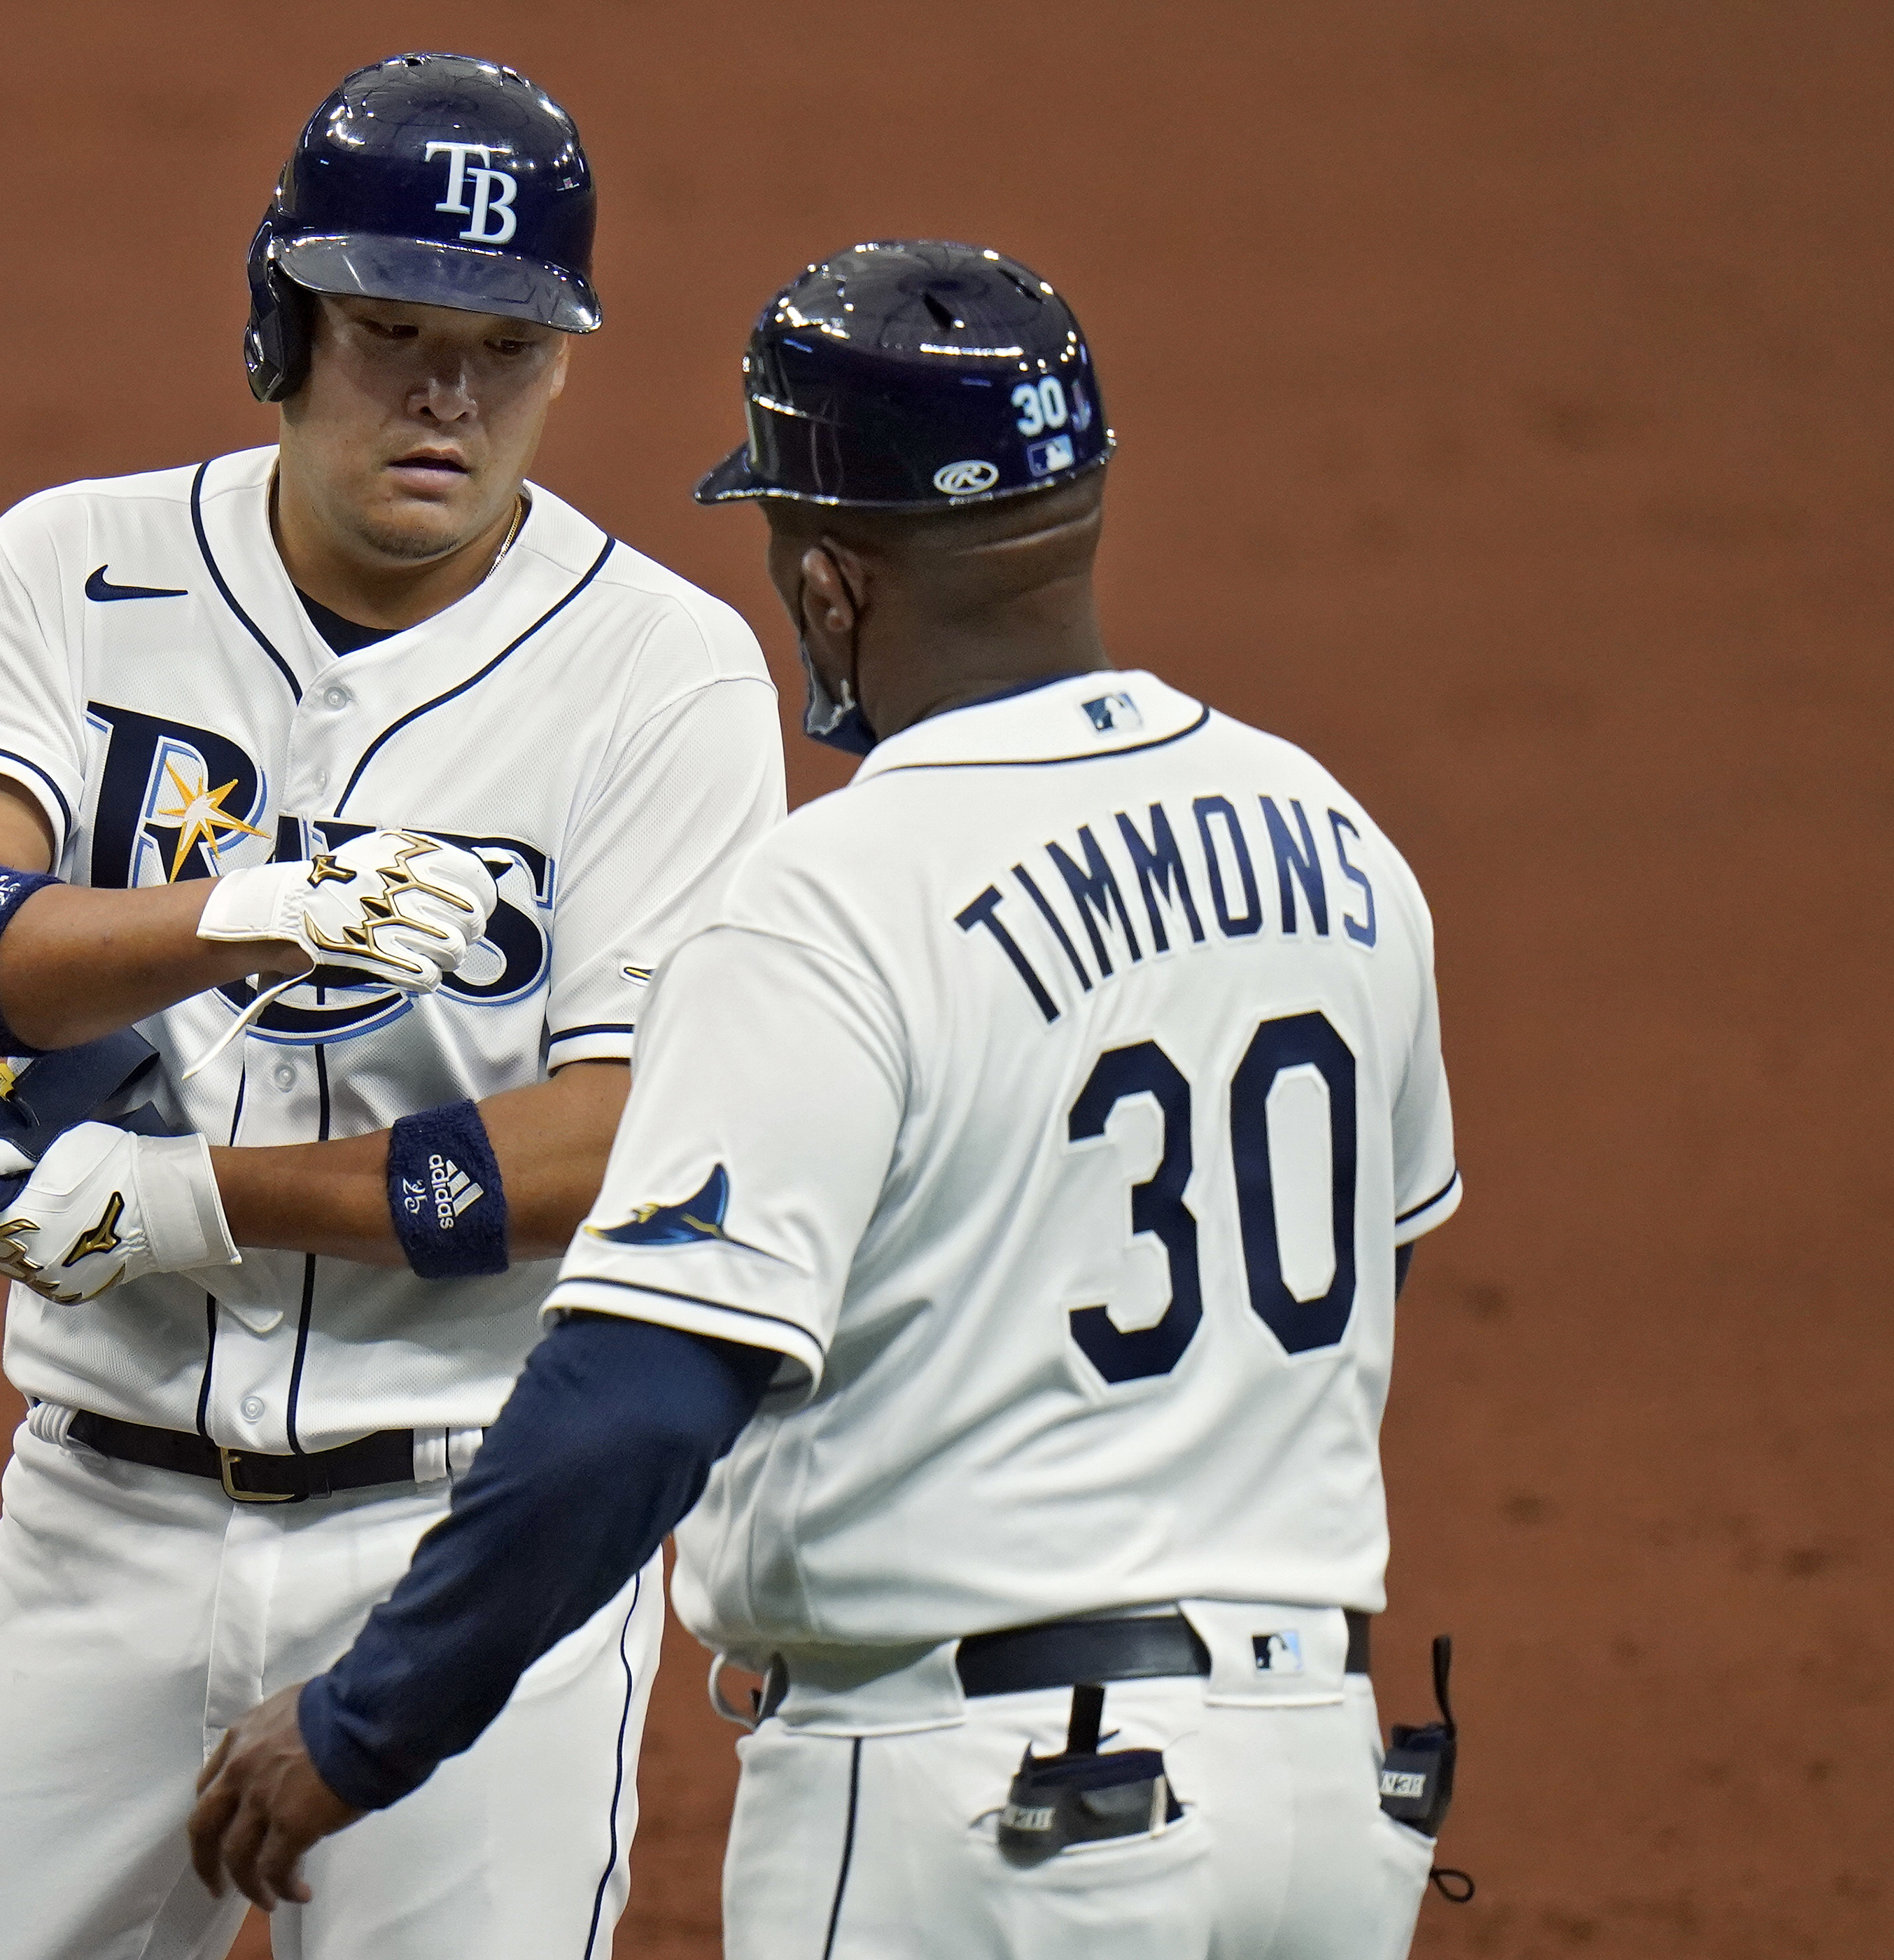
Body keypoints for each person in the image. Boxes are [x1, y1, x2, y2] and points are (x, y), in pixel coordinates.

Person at [185, 239, 1466, 1960]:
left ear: (835, 581)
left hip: (989, 1805)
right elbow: (1359, 1275)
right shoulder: (1336, 843)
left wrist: (360, 1721)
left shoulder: (833, 893)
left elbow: (637, 1401)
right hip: (1326, 1794)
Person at [0, 53, 785, 1960]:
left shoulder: (665, 677)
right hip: (95, 1526)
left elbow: (616, 1141)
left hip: (465, 1550)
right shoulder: (69, 573)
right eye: (392, 332)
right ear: (280, 323)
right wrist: (235, 917)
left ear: (565, 366)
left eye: (504, 347)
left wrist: (192, 1203)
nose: (447, 393)